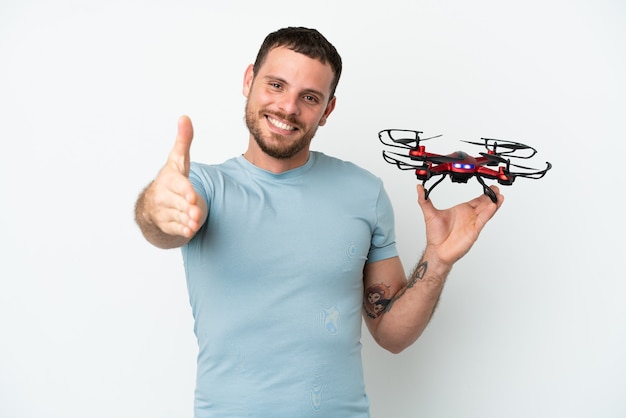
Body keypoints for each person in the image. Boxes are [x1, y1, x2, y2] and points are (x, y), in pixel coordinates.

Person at [134, 26, 503, 417]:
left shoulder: (364, 192)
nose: (288, 107)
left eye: (309, 97)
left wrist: (438, 259)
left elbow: (392, 335)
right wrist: (157, 208)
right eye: (276, 85)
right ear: (249, 80)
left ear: (327, 110)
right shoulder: (204, 186)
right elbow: (162, 226)